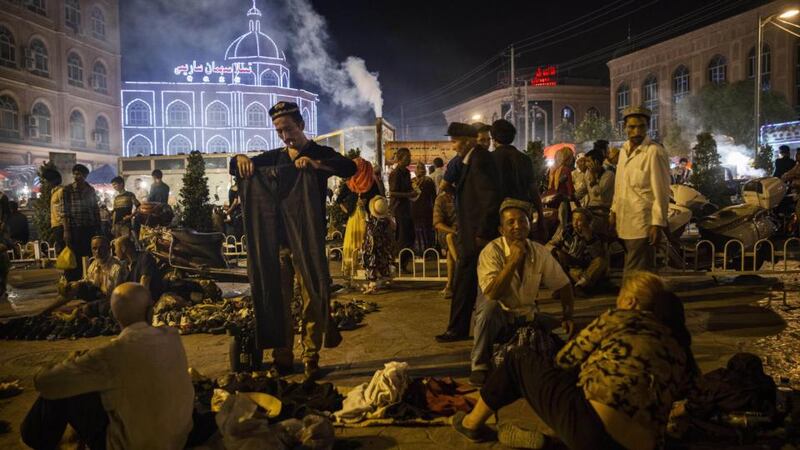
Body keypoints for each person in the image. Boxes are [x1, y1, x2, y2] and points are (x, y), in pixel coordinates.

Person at [454, 271, 697, 450]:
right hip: (645, 445)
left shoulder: (618, 318)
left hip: (590, 430)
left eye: (621, 296)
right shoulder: (677, 346)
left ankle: (471, 423)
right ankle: (552, 443)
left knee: (519, 358)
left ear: (631, 302)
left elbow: (566, 359)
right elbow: (691, 393)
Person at [231, 101, 356, 380]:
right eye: (279, 131)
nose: (285, 136)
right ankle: (282, 356)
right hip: (277, 245)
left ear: (300, 124)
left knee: (312, 295)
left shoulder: (318, 152)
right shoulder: (273, 157)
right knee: (278, 298)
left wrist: (317, 165)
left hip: (309, 242)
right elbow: (237, 167)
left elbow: (349, 168)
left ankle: (310, 355)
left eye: (288, 129)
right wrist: (239, 157)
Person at [22, 282, 194, 450]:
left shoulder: (111, 354)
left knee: (60, 388)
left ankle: (39, 441)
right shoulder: (172, 336)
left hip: (132, 445)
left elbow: (43, 382)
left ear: (114, 315)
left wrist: (73, 362)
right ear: (151, 312)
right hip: (177, 440)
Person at [470, 199, 574, 386]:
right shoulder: (491, 252)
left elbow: (564, 285)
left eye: (522, 221)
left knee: (566, 335)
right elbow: (492, 293)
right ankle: (479, 364)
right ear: (501, 229)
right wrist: (512, 262)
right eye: (511, 222)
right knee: (488, 309)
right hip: (500, 314)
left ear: (529, 225)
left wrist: (568, 316)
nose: (517, 226)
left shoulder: (538, 251)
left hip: (527, 314)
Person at [436, 122, 501, 343]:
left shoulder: (480, 159)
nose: (453, 146)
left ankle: (458, 329)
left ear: (466, 141)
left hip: (476, 236)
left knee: (466, 283)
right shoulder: (469, 160)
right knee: (464, 283)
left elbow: (489, 198)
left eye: (454, 141)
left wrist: (481, 233)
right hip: (469, 234)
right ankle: (458, 328)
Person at [610, 106, 670, 274]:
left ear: (647, 127)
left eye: (641, 127)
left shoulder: (654, 152)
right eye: (632, 127)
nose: (636, 131)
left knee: (633, 273)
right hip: (623, 222)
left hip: (642, 223)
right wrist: (613, 211)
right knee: (643, 274)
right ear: (625, 128)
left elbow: (661, 191)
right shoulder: (623, 152)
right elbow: (619, 185)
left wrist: (657, 224)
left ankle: (629, 299)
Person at [490, 119, 546, 240]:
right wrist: (541, 216)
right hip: (522, 214)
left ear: (493, 138)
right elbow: (533, 189)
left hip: (498, 217)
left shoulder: (489, 159)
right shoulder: (524, 159)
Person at [337, 156, 381, 277]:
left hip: (367, 217)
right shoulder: (350, 183)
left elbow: (378, 198)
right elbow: (339, 200)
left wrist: (369, 202)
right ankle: (351, 271)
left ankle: (366, 269)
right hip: (353, 218)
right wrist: (347, 210)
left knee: (365, 242)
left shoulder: (371, 183)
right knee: (352, 243)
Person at [549, 208, 608, 292]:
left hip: (585, 270)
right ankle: (570, 286)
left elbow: (597, 256)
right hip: (569, 268)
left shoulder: (594, 235)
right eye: (574, 220)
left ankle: (580, 285)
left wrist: (588, 238)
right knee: (554, 254)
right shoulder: (567, 232)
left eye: (579, 220)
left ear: (587, 222)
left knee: (600, 261)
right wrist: (555, 250)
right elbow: (549, 245)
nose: (575, 223)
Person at [62, 164, 102, 281]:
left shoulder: (90, 189)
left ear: (85, 176)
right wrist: (66, 230)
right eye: (75, 173)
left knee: (89, 254)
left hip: (89, 227)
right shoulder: (67, 190)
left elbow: (95, 209)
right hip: (75, 228)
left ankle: (89, 278)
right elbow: (64, 211)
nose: (76, 176)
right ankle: (73, 281)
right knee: (76, 255)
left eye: (79, 174)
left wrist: (98, 227)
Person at [388, 147, 417, 272]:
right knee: (402, 236)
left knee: (410, 236)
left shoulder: (406, 172)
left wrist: (414, 191)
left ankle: (404, 263)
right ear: (400, 159)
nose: (410, 159)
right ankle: (397, 263)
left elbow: (408, 189)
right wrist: (408, 195)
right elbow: (393, 193)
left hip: (407, 208)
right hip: (399, 208)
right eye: (407, 157)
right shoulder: (396, 173)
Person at [361, 196, 395, 294]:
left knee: (372, 263)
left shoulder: (371, 223)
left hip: (372, 247)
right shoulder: (386, 222)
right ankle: (384, 278)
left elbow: (368, 235)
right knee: (383, 261)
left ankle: (373, 283)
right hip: (383, 246)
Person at [114, 237, 165, 301]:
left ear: (123, 248)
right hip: (134, 300)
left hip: (149, 301)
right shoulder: (124, 266)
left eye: (115, 248)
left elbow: (144, 287)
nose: (115, 252)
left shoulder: (145, 258)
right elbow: (117, 289)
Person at [433, 180, 458, 298]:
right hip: (447, 232)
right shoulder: (441, 200)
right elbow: (437, 223)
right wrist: (453, 230)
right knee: (450, 238)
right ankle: (459, 264)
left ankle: (450, 285)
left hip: (463, 231)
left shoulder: (463, 197)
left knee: (450, 250)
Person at [583, 158, 615, 238]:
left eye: (588, 161)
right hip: (591, 208)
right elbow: (584, 188)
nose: (586, 164)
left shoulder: (608, 175)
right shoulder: (588, 173)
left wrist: (593, 177)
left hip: (603, 210)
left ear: (596, 161)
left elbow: (596, 192)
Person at [411, 161, 437, 254]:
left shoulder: (418, 181)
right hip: (422, 209)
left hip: (420, 209)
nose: (418, 170)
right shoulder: (426, 181)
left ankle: (423, 251)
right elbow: (434, 197)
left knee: (422, 231)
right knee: (423, 231)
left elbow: (433, 196)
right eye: (418, 168)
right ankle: (425, 251)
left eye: (419, 168)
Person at [44, 169, 66, 254]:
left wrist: (65, 228)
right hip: (56, 225)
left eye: (47, 181)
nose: (46, 183)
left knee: (64, 250)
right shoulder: (53, 192)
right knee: (61, 249)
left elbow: (64, 209)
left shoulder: (61, 191)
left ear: (53, 180)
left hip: (61, 225)